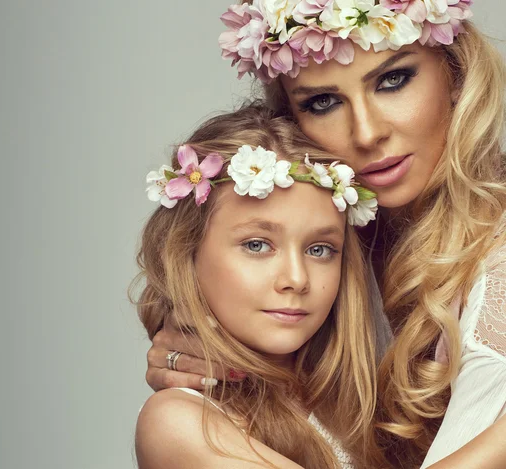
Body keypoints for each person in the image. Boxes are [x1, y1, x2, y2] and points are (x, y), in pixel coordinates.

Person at [144, 1, 506, 468]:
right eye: (323, 102)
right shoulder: (331, 254)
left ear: (455, 73)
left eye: (393, 80)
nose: (367, 132)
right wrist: (202, 356)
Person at [132, 105, 383, 468]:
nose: (296, 279)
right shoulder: (178, 421)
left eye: (319, 249)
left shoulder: (358, 404)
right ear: (184, 253)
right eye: (256, 245)